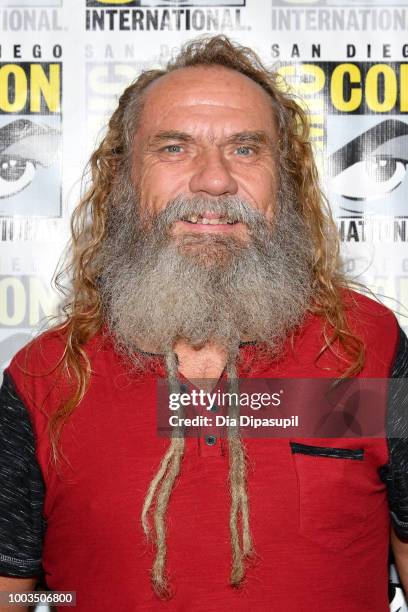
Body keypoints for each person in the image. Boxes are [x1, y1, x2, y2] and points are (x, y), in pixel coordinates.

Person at [0, 35, 407, 612]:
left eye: (246, 150)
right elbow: (13, 595)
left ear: (283, 182)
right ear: (121, 180)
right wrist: (75, 599)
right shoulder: (44, 377)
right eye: (173, 148)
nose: (214, 180)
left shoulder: (369, 347)